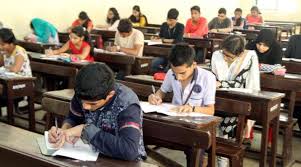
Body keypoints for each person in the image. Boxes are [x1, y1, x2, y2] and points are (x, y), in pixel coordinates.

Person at [48, 63, 146, 161]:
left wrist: (85, 130)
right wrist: (64, 131)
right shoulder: (83, 92)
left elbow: (129, 150)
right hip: (90, 154)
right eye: (83, 102)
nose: (85, 106)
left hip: (123, 161)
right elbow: (73, 118)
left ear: (110, 95)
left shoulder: (127, 103)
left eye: (92, 104)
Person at [211, 35, 260, 167]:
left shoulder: (248, 58)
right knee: (211, 137)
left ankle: (223, 162)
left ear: (239, 54)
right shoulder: (217, 54)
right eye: (224, 53)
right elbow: (213, 76)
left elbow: (239, 83)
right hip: (217, 99)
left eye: (229, 56)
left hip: (236, 102)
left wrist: (221, 83)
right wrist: (219, 83)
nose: (225, 58)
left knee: (226, 139)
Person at [149, 43, 216, 114]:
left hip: (196, 121)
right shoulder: (170, 73)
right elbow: (162, 91)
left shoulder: (208, 77)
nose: (178, 77)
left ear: (194, 65)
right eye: (174, 72)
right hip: (173, 116)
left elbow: (210, 110)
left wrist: (192, 108)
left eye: (182, 73)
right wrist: (156, 97)